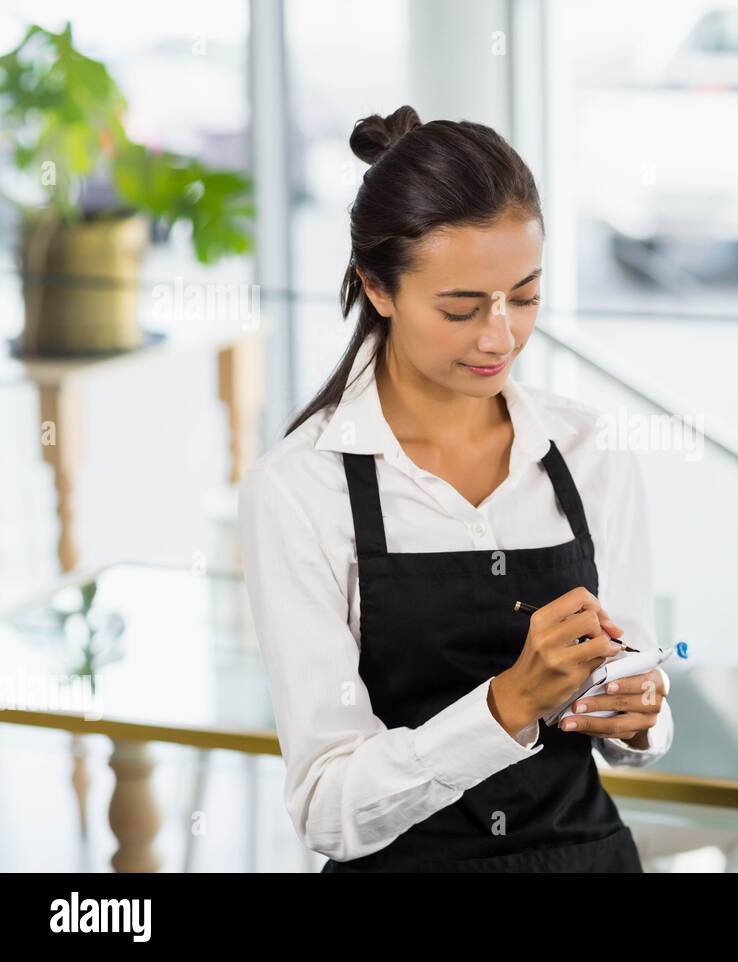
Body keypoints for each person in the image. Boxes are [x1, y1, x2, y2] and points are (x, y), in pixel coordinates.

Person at [237, 106, 672, 872]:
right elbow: (328, 811)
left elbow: (633, 696)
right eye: (461, 308)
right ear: (378, 287)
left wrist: (637, 715)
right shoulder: (301, 488)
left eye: (525, 297)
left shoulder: (590, 452)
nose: (499, 336)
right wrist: (508, 705)